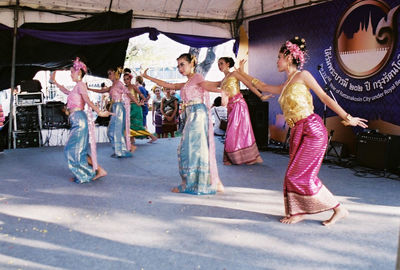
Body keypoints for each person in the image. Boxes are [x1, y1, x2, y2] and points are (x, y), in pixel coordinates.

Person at [237, 36, 368, 226]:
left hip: (312, 129)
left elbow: (324, 97)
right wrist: (242, 73)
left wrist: (348, 117)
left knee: (298, 175)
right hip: (297, 131)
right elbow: (263, 86)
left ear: (289, 57)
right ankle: (303, 211)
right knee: (293, 174)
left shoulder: (303, 75)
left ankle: (337, 208)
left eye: (279, 57)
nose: (277, 60)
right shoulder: (285, 85)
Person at [142, 53, 224, 194]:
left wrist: (223, 84)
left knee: (190, 149)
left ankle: (192, 183)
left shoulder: (197, 77)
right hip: (192, 114)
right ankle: (202, 181)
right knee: (192, 148)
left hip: (198, 114)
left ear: (192, 63)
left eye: (182, 64)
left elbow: (208, 85)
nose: (180, 68)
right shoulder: (188, 81)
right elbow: (169, 85)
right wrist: (148, 77)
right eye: (178, 65)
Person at [50, 57, 112, 183]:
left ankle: (85, 174)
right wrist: (55, 82)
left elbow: (87, 100)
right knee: (78, 149)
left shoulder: (81, 85)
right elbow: (66, 91)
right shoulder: (76, 87)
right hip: (76, 119)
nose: (70, 74)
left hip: (79, 120)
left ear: (79, 73)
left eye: (72, 71)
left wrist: (99, 111)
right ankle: (93, 171)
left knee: (71, 149)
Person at [212, 57, 271, 165]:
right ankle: (233, 157)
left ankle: (247, 157)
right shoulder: (223, 80)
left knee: (240, 131)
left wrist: (261, 96)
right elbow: (215, 86)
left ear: (228, 64)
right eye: (218, 64)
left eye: (221, 63)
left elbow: (249, 84)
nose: (219, 66)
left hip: (239, 105)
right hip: (230, 107)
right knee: (233, 132)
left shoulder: (234, 74)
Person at [88, 67, 134, 158]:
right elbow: (101, 90)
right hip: (115, 108)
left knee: (117, 131)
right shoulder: (113, 85)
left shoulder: (119, 83)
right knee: (111, 132)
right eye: (108, 74)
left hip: (119, 108)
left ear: (115, 73)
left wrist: (138, 102)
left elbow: (128, 93)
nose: (108, 75)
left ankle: (120, 152)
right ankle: (119, 150)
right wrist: (89, 88)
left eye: (110, 73)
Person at [122, 73, 157, 144]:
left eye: (127, 79)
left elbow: (141, 94)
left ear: (130, 79)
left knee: (137, 125)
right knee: (129, 124)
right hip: (129, 107)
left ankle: (152, 136)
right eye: (124, 79)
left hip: (136, 107)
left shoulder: (133, 86)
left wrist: (144, 100)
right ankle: (132, 139)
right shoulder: (124, 88)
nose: (126, 81)